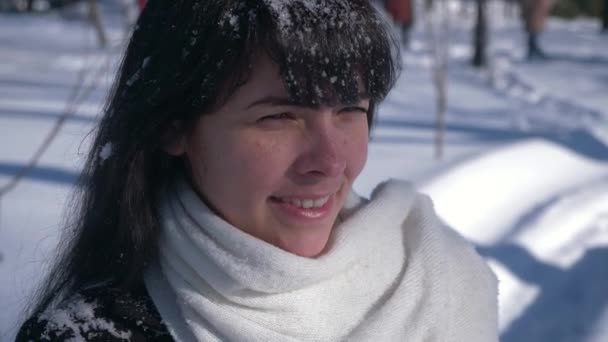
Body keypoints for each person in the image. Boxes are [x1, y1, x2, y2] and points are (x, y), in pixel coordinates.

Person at [16, 0, 498, 341]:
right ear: (174, 127)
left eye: (350, 109)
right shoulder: (90, 333)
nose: (330, 162)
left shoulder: (439, 280)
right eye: (279, 116)